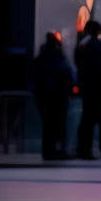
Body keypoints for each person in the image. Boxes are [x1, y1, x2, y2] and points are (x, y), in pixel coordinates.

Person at [74, 19, 101, 160]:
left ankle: (83, 149)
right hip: (98, 90)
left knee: (87, 120)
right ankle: (88, 150)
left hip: (87, 88)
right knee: (92, 121)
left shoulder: (81, 45)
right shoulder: (98, 46)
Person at [33, 31, 74, 160]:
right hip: (58, 96)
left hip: (44, 97)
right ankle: (58, 149)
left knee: (48, 126)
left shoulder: (41, 57)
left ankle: (48, 150)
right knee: (59, 125)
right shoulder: (58, 57)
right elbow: (67, 72)